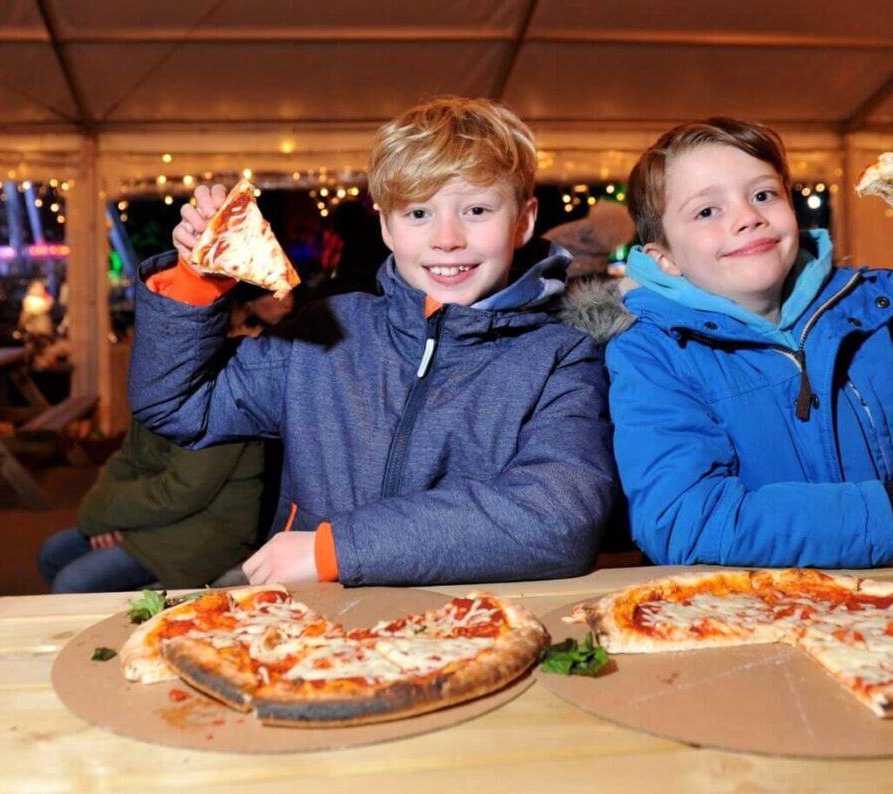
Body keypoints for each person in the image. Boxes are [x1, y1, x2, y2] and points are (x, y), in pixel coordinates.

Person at [128, 97, 616, 587]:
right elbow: (181, 404)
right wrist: (195, 279)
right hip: (315, 633)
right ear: (385, 224)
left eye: (476, 209)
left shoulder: (559, 357)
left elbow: (559, 515)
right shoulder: (326, 334)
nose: (447, 238)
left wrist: (336, 549)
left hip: (468, 630)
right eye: (418, 212)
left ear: (523, 221)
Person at [601, 118, 893, 567]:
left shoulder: (863, 305)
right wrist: (887, 521)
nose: (748, 217)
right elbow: (682, 520)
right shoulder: (652, 354)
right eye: (706, 211)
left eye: (762, 195)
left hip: (877, 600)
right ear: (665, 258)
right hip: (735, 611)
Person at [37, 417, 265, 593]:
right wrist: (105, 516)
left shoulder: (217, 397)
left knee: (71, 584)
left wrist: (104, 511)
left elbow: (182, 490)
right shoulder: (161, 381)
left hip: (209, 528)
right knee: (52, 553)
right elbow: (127, 457)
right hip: (161, 513)